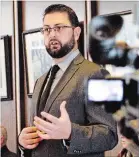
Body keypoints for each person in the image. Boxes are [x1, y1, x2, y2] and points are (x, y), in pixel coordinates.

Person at [18, 4, 118, 157]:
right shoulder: (40, 81)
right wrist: (25, 142)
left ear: (76, 32)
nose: (52, 34)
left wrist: (71, 133)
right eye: (47, 29)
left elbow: (109, 135)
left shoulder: (98, 74)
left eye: (59, 28)